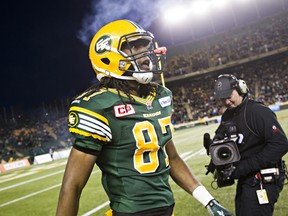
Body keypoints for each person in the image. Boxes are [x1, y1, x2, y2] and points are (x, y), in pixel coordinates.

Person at [56, 19, 231, 216]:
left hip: (167, 209)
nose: (146, 54)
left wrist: (209, 201)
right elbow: (72, 186)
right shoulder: (98, 105)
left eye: (144, 46)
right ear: (107, 56)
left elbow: (172, 158)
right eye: (133, 47)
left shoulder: (160, 96)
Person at [208, 74, 288, 216]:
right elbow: (221, 136)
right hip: (247, 178)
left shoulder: (257, 111)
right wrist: (214, 151)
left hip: (263, 178)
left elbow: (280, 144)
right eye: (222, 98)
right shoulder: (228, 115)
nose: (226, 101)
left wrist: (244, 167)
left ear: (239, 89)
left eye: (229, 96)